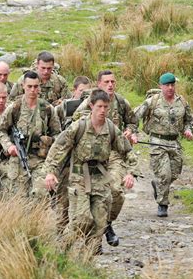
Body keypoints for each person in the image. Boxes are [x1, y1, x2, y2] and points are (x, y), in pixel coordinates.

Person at [45, 89, 135, 254]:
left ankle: (87, 262)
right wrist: (51, 172)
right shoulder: (78, 127)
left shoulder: (111, 128)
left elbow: (127, 151)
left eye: (106, 107)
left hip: (100, 179)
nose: (102, 110)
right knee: (82, 219)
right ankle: (60, 252)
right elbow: (59, 149)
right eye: (99, 106)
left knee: (100, 225)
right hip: (79, 178)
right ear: (91, 106)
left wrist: (130, 172)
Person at [73, 70, 138, 247]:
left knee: (116, 192)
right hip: (93, 155)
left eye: (113, 82)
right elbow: (75, 121)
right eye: (107, 82)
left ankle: (107, 223)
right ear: (99, 84)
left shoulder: (121, 101)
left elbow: (133, 121)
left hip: (114, 153)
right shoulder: (89, 102)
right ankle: (96, 234)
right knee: (92, 195)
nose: (110, 85)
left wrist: (130, 131)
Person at [135, 72, 193, 217]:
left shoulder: (182, 102)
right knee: (165, 174)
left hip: (174, 142)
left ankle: (158, 186)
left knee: (174, 173)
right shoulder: (153, 101)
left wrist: (188, 130)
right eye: (167, 85)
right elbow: (134, 116)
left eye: (172, 85)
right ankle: (162, 204)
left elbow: (190, 119)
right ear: (160, 86)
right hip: (157, 141)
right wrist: (132, 132)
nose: (170, 88)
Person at [0, 71, 61, 198]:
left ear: (39, 87)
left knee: (40, 194)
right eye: (29, 86)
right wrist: (9, 146)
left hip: (40, 160)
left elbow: (57, 134)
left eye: (36, 86)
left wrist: (50, 147)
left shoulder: (47, 109)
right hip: (18, 158)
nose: (32, 90)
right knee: (17, 198)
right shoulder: (15, 107)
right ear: (23, 86)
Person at [53, 75, 91, 231]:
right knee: (63, 198)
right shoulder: (65, 107)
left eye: (87, 93)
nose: (84, 96)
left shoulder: (94, 110)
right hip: (65, 159)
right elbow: (54, 127)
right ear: (74, 91)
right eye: (81, 92)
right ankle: (61, 231)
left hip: (84, 162)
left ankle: (90, 237)